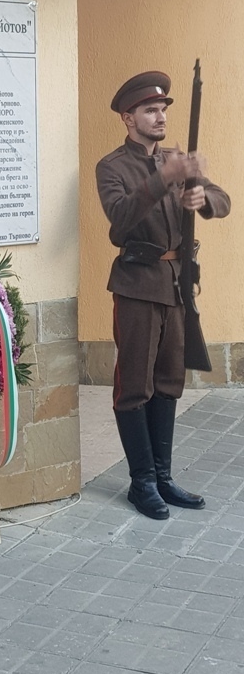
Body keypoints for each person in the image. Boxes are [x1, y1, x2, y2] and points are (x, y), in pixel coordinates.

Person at [96, 71, 230, 520]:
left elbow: (223, 199)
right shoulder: (112, 166)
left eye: (163, 110)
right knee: (134, 385)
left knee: (169, 382)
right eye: (150, 110)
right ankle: (141, 482)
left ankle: (164, 476)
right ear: (127, 117)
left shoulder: (177, 159)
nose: (159, 116)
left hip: (176, 284)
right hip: (137, 284)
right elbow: (120, 220)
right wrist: (163, 179)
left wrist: (202, 198)